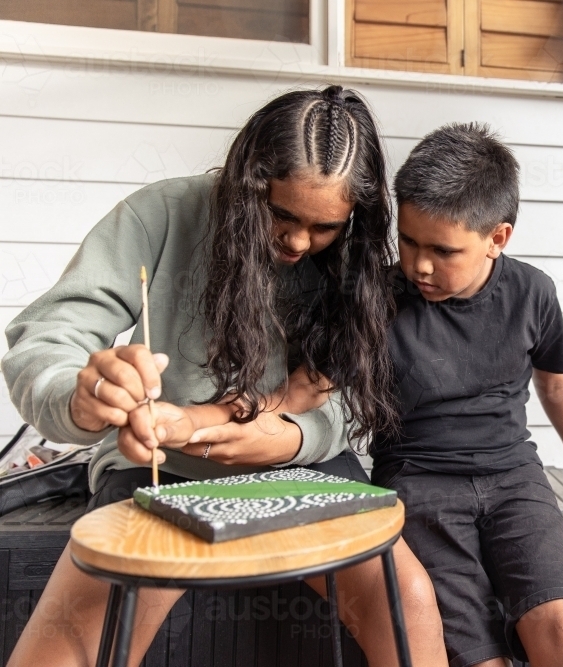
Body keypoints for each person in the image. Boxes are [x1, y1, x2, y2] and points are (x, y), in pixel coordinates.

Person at [1, 86, 446, 667]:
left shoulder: (355, 260)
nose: (296, 241)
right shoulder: (160, 215)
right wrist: (81, 398)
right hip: (161, 471)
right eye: (280, 214)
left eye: (324, 227)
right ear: (247, 180)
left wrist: (290, 436)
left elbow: (351, 397)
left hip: (302, 465)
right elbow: (49, 337)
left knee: (405, 599)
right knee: (70, 644)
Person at [375, 123, 563, 667]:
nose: (419, 265)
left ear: (498, 238)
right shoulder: (377, 297)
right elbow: (312, 388)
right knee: (478, 656)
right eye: (408, 241)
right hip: (420, 483)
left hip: (513, 475)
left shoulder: (532, 292)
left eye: (443, 250)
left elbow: (555, 386)